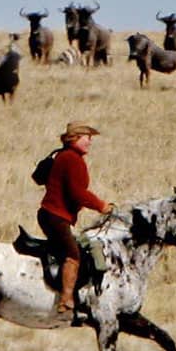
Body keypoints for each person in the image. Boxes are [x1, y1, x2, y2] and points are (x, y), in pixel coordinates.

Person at [38, 121, 116, 316]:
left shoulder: (65, 156)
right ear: (75, 138)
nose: (90, 142)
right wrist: (102, 206)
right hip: (56, 216)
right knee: (73, 255)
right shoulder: (72, 159)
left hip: (53, 214)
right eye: (87, 137)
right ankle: (66, 300)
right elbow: (77, 192)